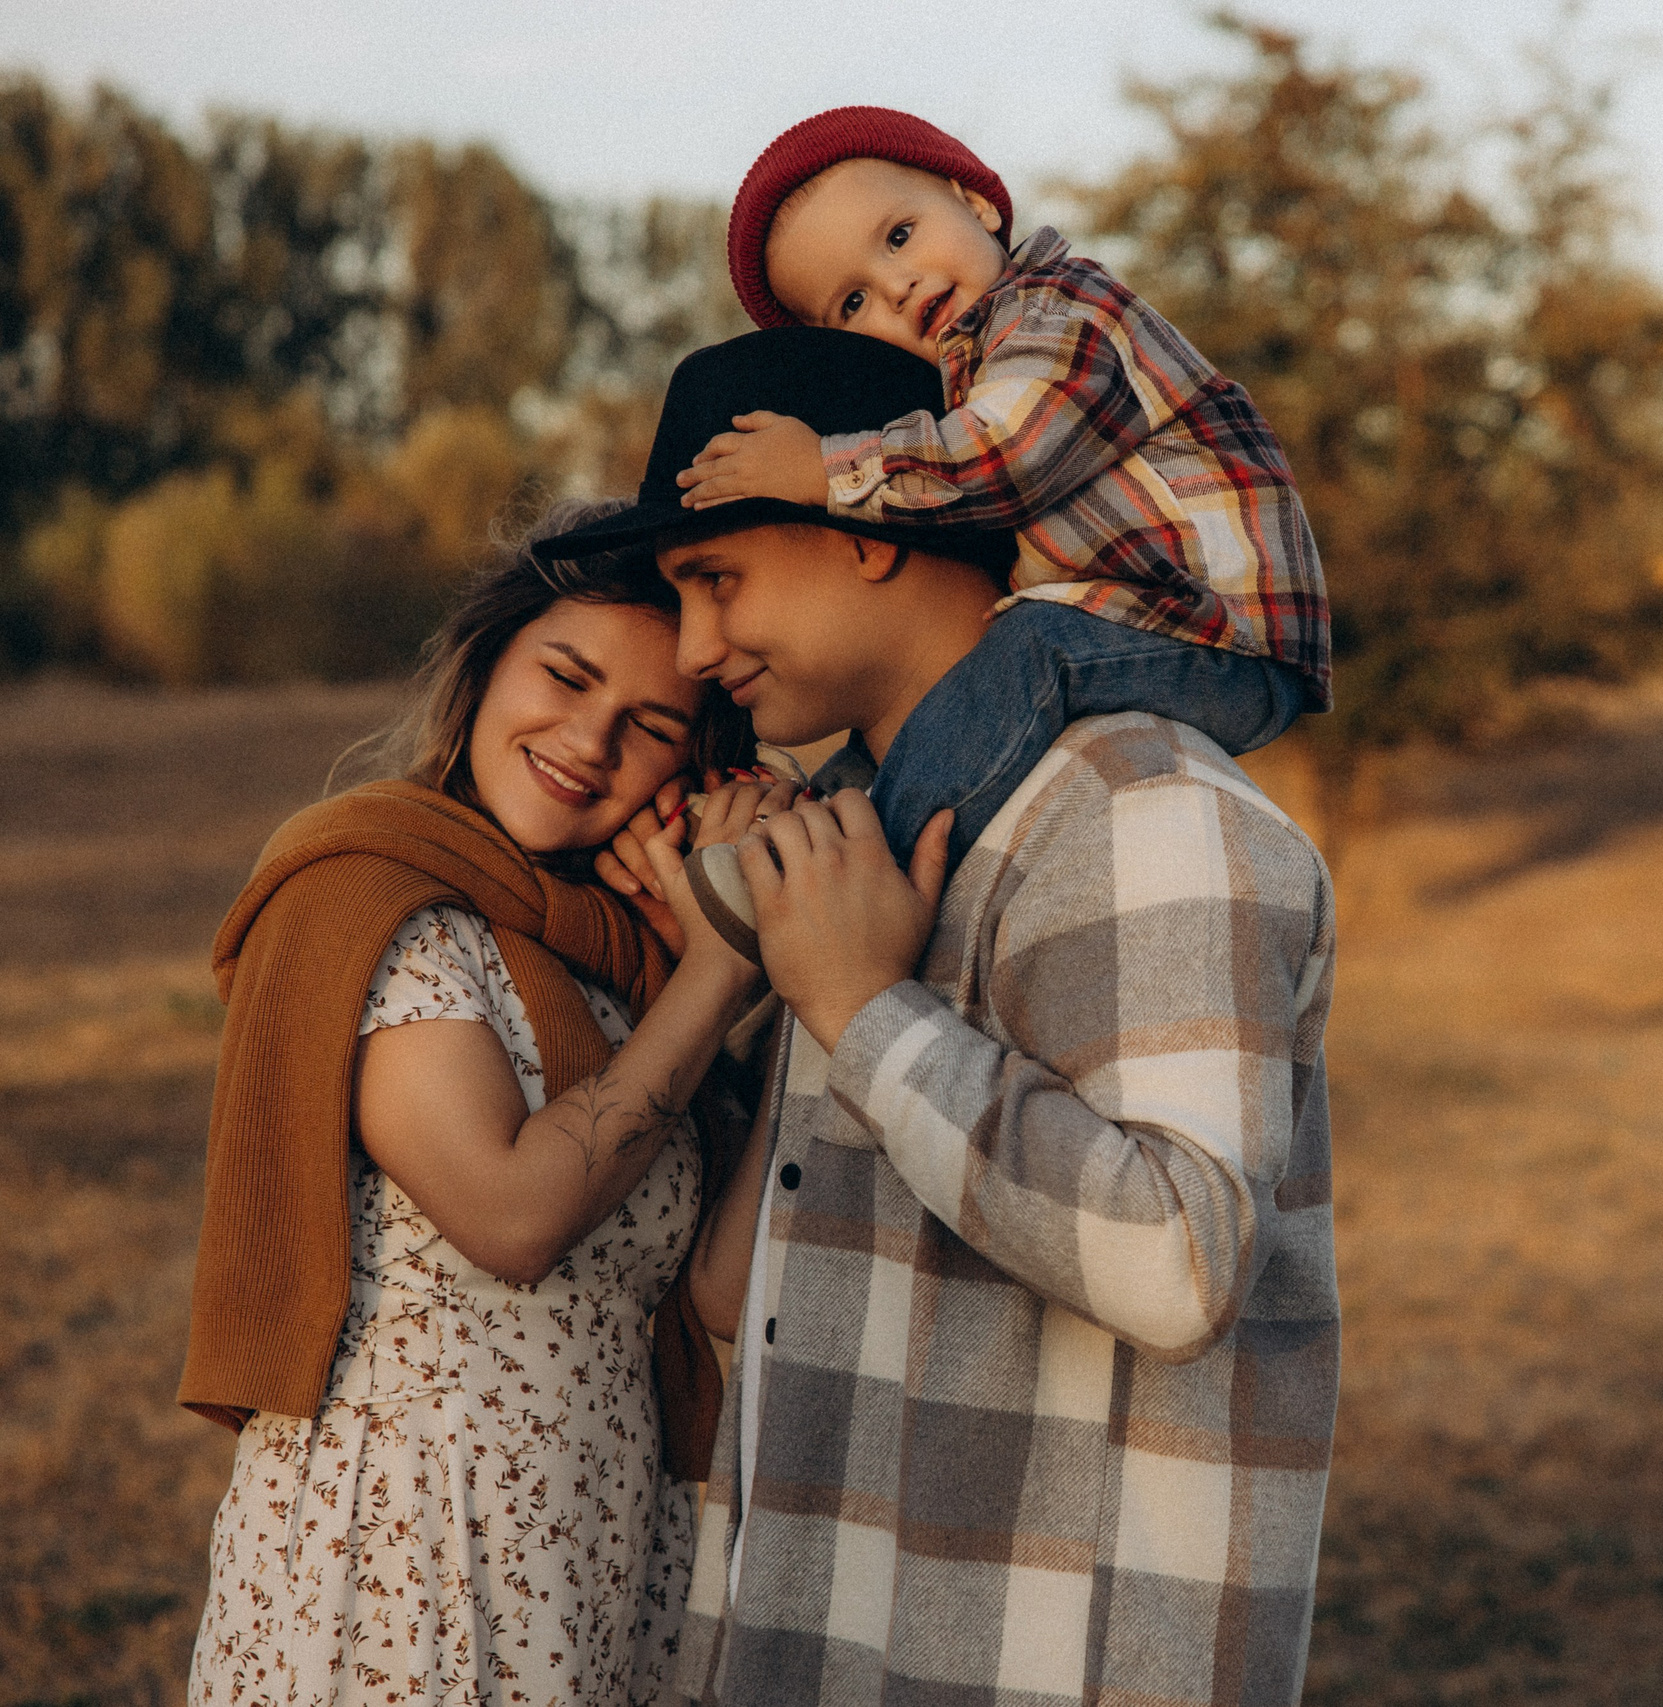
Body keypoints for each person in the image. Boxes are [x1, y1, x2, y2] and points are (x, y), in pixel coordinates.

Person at [537, 328, 1340, 1706]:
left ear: (869, 525)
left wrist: (861, 1005)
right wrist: (747, 964)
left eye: (714, 578)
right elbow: (757, 1295)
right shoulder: (855, 833)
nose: (693, 646)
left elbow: (1181, 1258)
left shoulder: (1143, 803)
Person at [181, 500, 790, 1706]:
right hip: (408, 1548)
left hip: (598, 1546)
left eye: (651, 725)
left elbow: (720, 1288)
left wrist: (778, 982)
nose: (587, 740)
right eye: (563, 677)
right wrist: (720, 967)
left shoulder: (625, 968)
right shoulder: (377, 903)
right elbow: (514, 1212)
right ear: (487, 661)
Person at [652, 105, 1330, 868]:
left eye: (899, 236)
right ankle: (812, 834)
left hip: (1224, 635)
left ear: (973, 202)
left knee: (1028, 647)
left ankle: (880, 871)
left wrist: (825, 468)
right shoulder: (971, 376)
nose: (897, 285)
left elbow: (1013, 452)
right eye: (852, 304)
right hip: (1150, 622)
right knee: (950, 705)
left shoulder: (1060, 310)